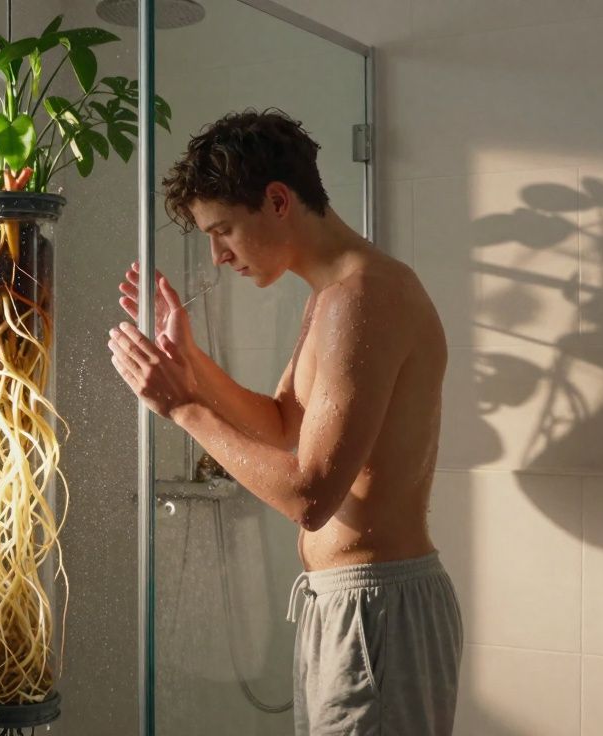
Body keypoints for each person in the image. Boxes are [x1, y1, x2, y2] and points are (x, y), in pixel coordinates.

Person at [107, 109, 463, 735]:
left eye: (223, 233)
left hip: (377, 611)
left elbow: (310, 494)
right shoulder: (329, 298)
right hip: (347, 607)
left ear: (277, 200)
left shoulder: (366, 297)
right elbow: (280, 425)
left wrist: (184, 409)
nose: (217, 257)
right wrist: (192, 365)